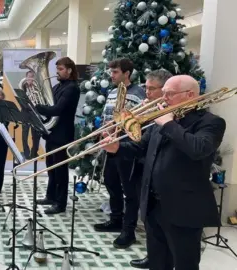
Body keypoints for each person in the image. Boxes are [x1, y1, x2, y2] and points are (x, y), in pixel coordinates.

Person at [102, 75, 224, 270]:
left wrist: (168, 124)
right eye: (164, 92)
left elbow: (198, 149)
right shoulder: (163, 118)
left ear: (190, 95)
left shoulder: (210, 122)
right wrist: (116, 147)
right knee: (158, 262)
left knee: (185, 264)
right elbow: (141, 147)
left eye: (169, 94)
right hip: (153, 206)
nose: (163, 98)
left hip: (184, 210)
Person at [93, 58, 146, 249]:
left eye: (115, 72)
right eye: (111, 72)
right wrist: (103, 131)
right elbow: (108, 117)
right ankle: (115, 219)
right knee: (111, 183)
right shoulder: (113, 92)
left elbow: (139, 125)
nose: (112, 76)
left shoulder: (139, 94)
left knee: (130, 192)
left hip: (127, 149)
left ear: (127, 73)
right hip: (111, 147)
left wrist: (119, 132)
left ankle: (128, 230)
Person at [130, 69, 172, 269]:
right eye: (145, 87)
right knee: (148, 217)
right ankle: (152, 256)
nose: (146, 92)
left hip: (165, 178)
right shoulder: (149, 107)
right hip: (143, 166)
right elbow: (139, 141)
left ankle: (158, 257)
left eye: (151, 88)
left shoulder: (168, 113)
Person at [34, 57, 80, 215]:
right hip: (52, 133)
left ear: (69, 70)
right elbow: (49, 104)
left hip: (63, 134)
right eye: (57, 69)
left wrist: (38, 107)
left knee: (60, 170)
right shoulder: (57, 87)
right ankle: (50, 196)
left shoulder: (72, 88)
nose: (57, 73)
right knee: (51, 168)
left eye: (60, 69)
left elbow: (57, 109)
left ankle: (60, 203)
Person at [21, 71, 42, 159]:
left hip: (35, 112)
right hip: (25, 112)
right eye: (29, 76)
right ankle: (26, 152)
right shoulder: (22, 87)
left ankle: (34, 152)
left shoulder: (38, 87)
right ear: (26, 77)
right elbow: (20, 98)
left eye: (32, 76)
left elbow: (40, 99)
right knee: (25, 134)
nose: (31, 78)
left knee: (36, 134)